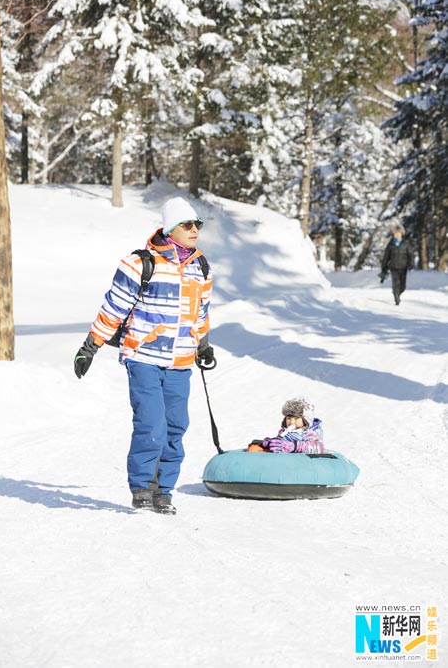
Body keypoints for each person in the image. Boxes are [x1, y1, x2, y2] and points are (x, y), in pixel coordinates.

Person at [73, 196, 214, 515]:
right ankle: (142, 488)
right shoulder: (140, 264)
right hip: (144, 358)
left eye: (197, 225)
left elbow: (200, 313)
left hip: (180, 362)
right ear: (170, 228)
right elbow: (114, 307)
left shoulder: (200, 268)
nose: (194, 230)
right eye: (187, 225)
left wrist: (202, 345)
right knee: (151, 424)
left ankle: (164, 490)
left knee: (176, 426)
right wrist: (91, 345)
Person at [247, 397, 324, 454]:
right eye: (288, 418)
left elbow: (318, 447)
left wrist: (293, 446)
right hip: (284, 462)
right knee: (254, 449)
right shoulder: (284, 432)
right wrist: (270, 442)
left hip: (301, 463)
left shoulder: (309, 433)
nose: (291, 422)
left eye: (296, 418)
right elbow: (280, 444)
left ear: (305, 420)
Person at [379, 225, 414, 306]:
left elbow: (411, 255)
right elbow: (386, 257)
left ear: (402, 234)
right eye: (395, 233)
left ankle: (398, 292)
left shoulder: (406, 244)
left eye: (399, 233)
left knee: (403, 286)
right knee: (396, 283)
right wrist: (384, 268)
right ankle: (396, 296)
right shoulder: (390, 245)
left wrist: (411, 264)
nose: (397, 235)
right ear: (393, 234)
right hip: (393, 267)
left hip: (403, 267)